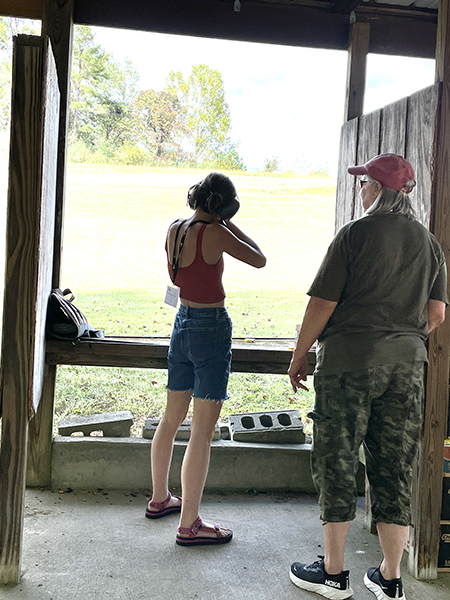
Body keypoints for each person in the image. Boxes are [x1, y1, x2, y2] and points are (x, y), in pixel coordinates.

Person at [287, 153, 447, 600]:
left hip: (347, 364)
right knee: (395, 466)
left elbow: (321, 304)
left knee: (336, 460)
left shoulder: (354, 235)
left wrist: (299, 356)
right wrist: (404, 336)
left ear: (377, 189)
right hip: (407, 369)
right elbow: (436, 313)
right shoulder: (429, 243)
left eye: (363, 183)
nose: (360, 190)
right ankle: (390, 577)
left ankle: (334, 574)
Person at [146, 172, 266, 546]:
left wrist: (219, 219)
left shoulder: (175, 228)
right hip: (210, 326)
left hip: (180, 321)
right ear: (222, 207)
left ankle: (159, 498)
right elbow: (260, 259)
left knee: (170, 419)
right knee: (201, 432)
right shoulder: (215, 233)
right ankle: (190, 524)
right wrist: (229, 225)